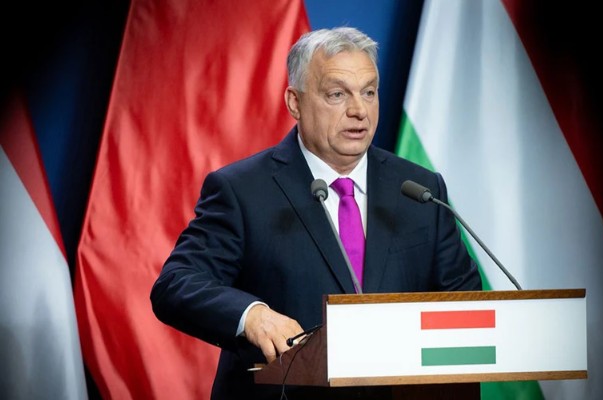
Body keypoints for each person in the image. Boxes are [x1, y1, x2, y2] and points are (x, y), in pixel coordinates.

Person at [150, 26, 482, 400]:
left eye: (369, 92)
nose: (359, 110)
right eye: (337, 94)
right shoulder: (242, 190)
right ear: (295, 102)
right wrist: (252, 315)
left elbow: (464, 303)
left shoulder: (420, 189)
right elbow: (176, 285)